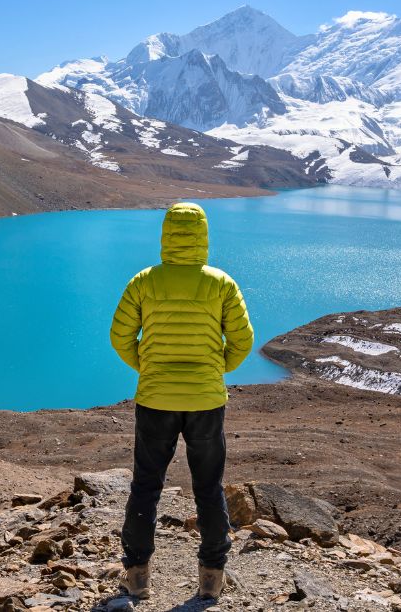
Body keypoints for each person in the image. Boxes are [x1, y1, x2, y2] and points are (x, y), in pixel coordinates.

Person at [110, 202, 254, 601]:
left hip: (155, 398)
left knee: (145, 486)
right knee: (208, 487)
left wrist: (148, 366)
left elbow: (120, 337)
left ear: (166, 234)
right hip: (206, 400)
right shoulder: (221, 283)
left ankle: (137, 576)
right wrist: (214, 370)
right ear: (204, 235)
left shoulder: (144, 281)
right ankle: (211, 578)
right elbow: (242, 340)